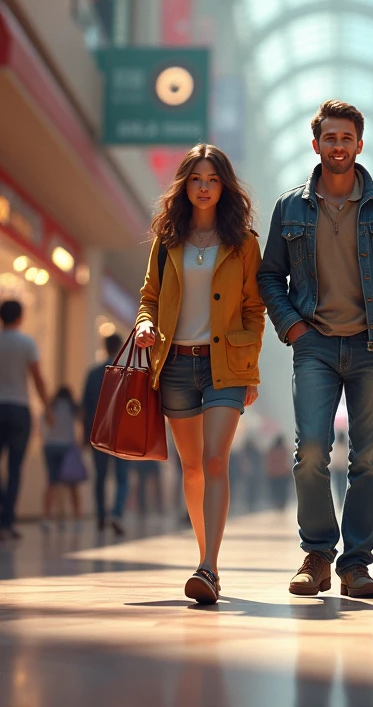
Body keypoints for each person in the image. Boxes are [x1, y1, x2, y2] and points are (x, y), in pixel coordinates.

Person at [258, 100, 373, 599]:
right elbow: (269, 276)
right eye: (329, 138)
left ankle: (355, 565)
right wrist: (294, 329)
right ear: (316, 145)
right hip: (315, 347)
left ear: (359, 145)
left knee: (367, 459)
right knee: (310, 452)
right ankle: (317, 555)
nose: (338, 146)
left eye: (346, 138)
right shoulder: (290, 206)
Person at [135, 143, 265, 603]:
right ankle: (205, 554)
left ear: (223, 185)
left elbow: (254, 309)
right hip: (174, 365)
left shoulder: (244, 242)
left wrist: (250, 373)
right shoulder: (167, 238)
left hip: (224, 367)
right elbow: (149, 297)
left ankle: (208, 567)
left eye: (212, 179)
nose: (204, 187)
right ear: (184, 185)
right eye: (195, 179)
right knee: (191, 468)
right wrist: (146, 323)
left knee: (214, 461)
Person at [0, 299, 52, 539]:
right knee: (15, 468)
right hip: (20, 409)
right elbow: (37, 378)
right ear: (20, 317)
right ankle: (7, 521)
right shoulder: (27, 343)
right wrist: (47, 407)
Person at [82, 332, 130, 535]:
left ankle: (101, 516)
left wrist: (86, 435)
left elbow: (85, 407)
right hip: (121, 432)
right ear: (119, 347)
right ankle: (116, 513)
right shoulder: (127, 372)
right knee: (122, 477)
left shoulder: (93, 374)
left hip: (99, 431)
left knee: (100, 476)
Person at [41, 386, 85, 529]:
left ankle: (47, 518)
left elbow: (43, 424)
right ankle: (77, 519)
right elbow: (83, 421)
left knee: (52, 483)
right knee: (72, 484)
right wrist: (80, 442)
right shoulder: (73, 407)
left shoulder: (51, 406)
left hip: (50, 446)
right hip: (67, 447)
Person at [266, 435, 292, 510]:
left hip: (273, 474)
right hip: (283, 473)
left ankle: (277, 502)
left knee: (275, 489)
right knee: (283, 490)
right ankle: (282, 503)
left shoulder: (271, 450)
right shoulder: (285, 450)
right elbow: (288, 461)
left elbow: (268, 462)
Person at [330, 430, 349, 508]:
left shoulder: (337, 446)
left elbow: (333, 459)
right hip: (340, 470)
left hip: (339, 470)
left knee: (340, 487)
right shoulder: (345, 447)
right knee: (341, 487)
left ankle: (341, 502)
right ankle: (341, 502)